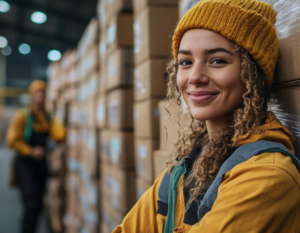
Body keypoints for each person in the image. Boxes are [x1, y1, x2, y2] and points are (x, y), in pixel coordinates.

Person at [113, 0, 300, 232]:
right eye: (186, 62)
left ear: (252, 73)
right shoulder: (186, 168)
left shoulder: (267, 176)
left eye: (217, 61)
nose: (194, 76)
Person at [6, 80, 65, 233]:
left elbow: (60, 134)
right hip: (25, 166)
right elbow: (11, 141)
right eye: (37, 93)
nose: (40, 96)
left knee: (39, 204)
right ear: (32, 95)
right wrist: (30, 150)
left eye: (42, 93)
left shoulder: (47, 118)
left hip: (41, 166)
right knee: (30, 203)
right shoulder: (22, 116)